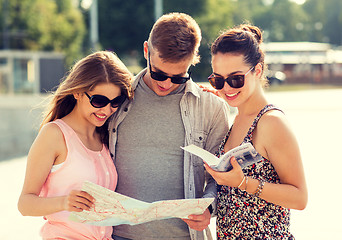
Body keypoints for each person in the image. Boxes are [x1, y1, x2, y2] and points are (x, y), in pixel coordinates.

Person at [108, 12, 230, 240]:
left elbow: (222, 176)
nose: (166, 84)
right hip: (119, 235)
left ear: (193, 60)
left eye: (178, 77)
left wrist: (209, 209)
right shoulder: (116, 98)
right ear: (146, 51)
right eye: (159, 73)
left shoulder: (211, 107)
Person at [204, 24, 308, 239]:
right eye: (218, 80)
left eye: (235, 79)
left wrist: (243, 183)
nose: (226, 88)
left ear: (258, 70)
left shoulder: (271, 123)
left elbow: (300, 198)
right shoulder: (237, 118)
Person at [17, 51, 133, 240]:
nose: (106, 110)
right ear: (78, 92)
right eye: (99, 101)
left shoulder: (105, 136)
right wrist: (64, 202)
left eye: (115, 102)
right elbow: (24, 204)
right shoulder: (54, 134)